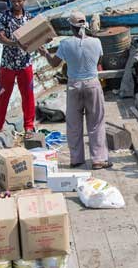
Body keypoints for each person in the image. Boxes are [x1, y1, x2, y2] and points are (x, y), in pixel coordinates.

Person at [38, 11, 112, 170]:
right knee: (96, 123)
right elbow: (98, 61)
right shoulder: (96, 42)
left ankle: (76, 159)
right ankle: (98, 159)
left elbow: (54, 64)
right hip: (92, 84)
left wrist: (45, 53)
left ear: (71, 27)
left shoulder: (65, 44)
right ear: (85, 25)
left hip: (74, 86)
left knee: (74, 125)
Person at [0, 0, 35, 139]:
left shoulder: (30, 18)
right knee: (3, 95)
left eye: (19, 1)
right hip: (8, 64)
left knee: (28, 96)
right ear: (10, 1)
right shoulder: (3, 17)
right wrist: (15, 43)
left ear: (24, 0)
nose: (17, 4)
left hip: (25, 63)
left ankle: (29, 127)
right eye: (14, 1)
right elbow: (0, 38)